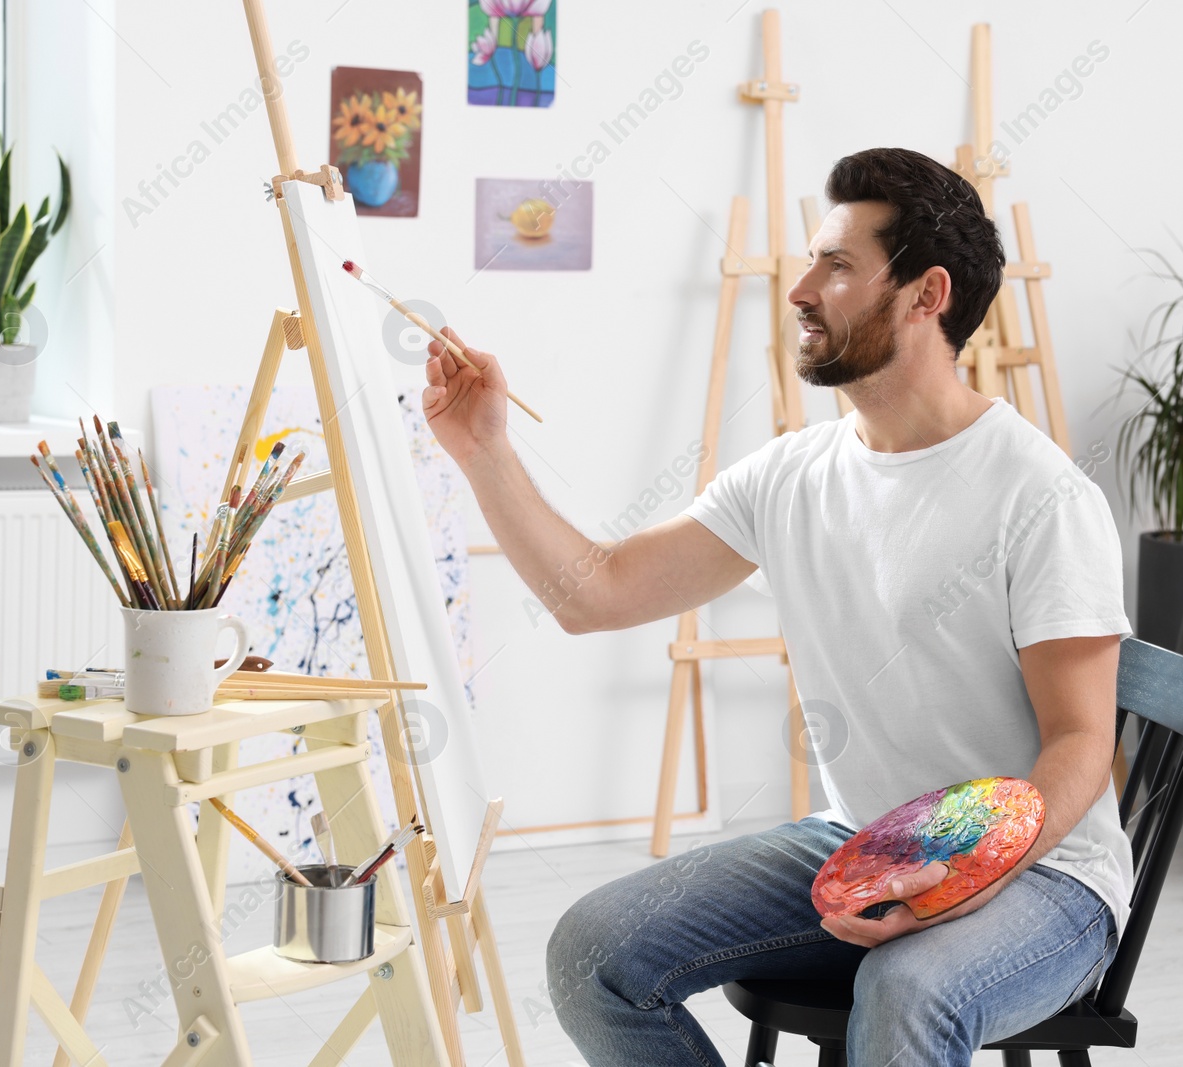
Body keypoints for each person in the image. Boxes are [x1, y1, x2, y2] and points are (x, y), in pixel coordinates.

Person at [420, 146, 1132, 1066]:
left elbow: (1080, 741)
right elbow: (592, 594)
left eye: (838, 267)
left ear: (927, 295)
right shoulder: (793, 474)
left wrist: (955, 884)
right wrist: (483, 452)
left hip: (1052, 876)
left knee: (906, 989)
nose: (800, 288)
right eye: (811, 260)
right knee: (591, 954)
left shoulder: (1040, 496)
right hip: (863, 839)